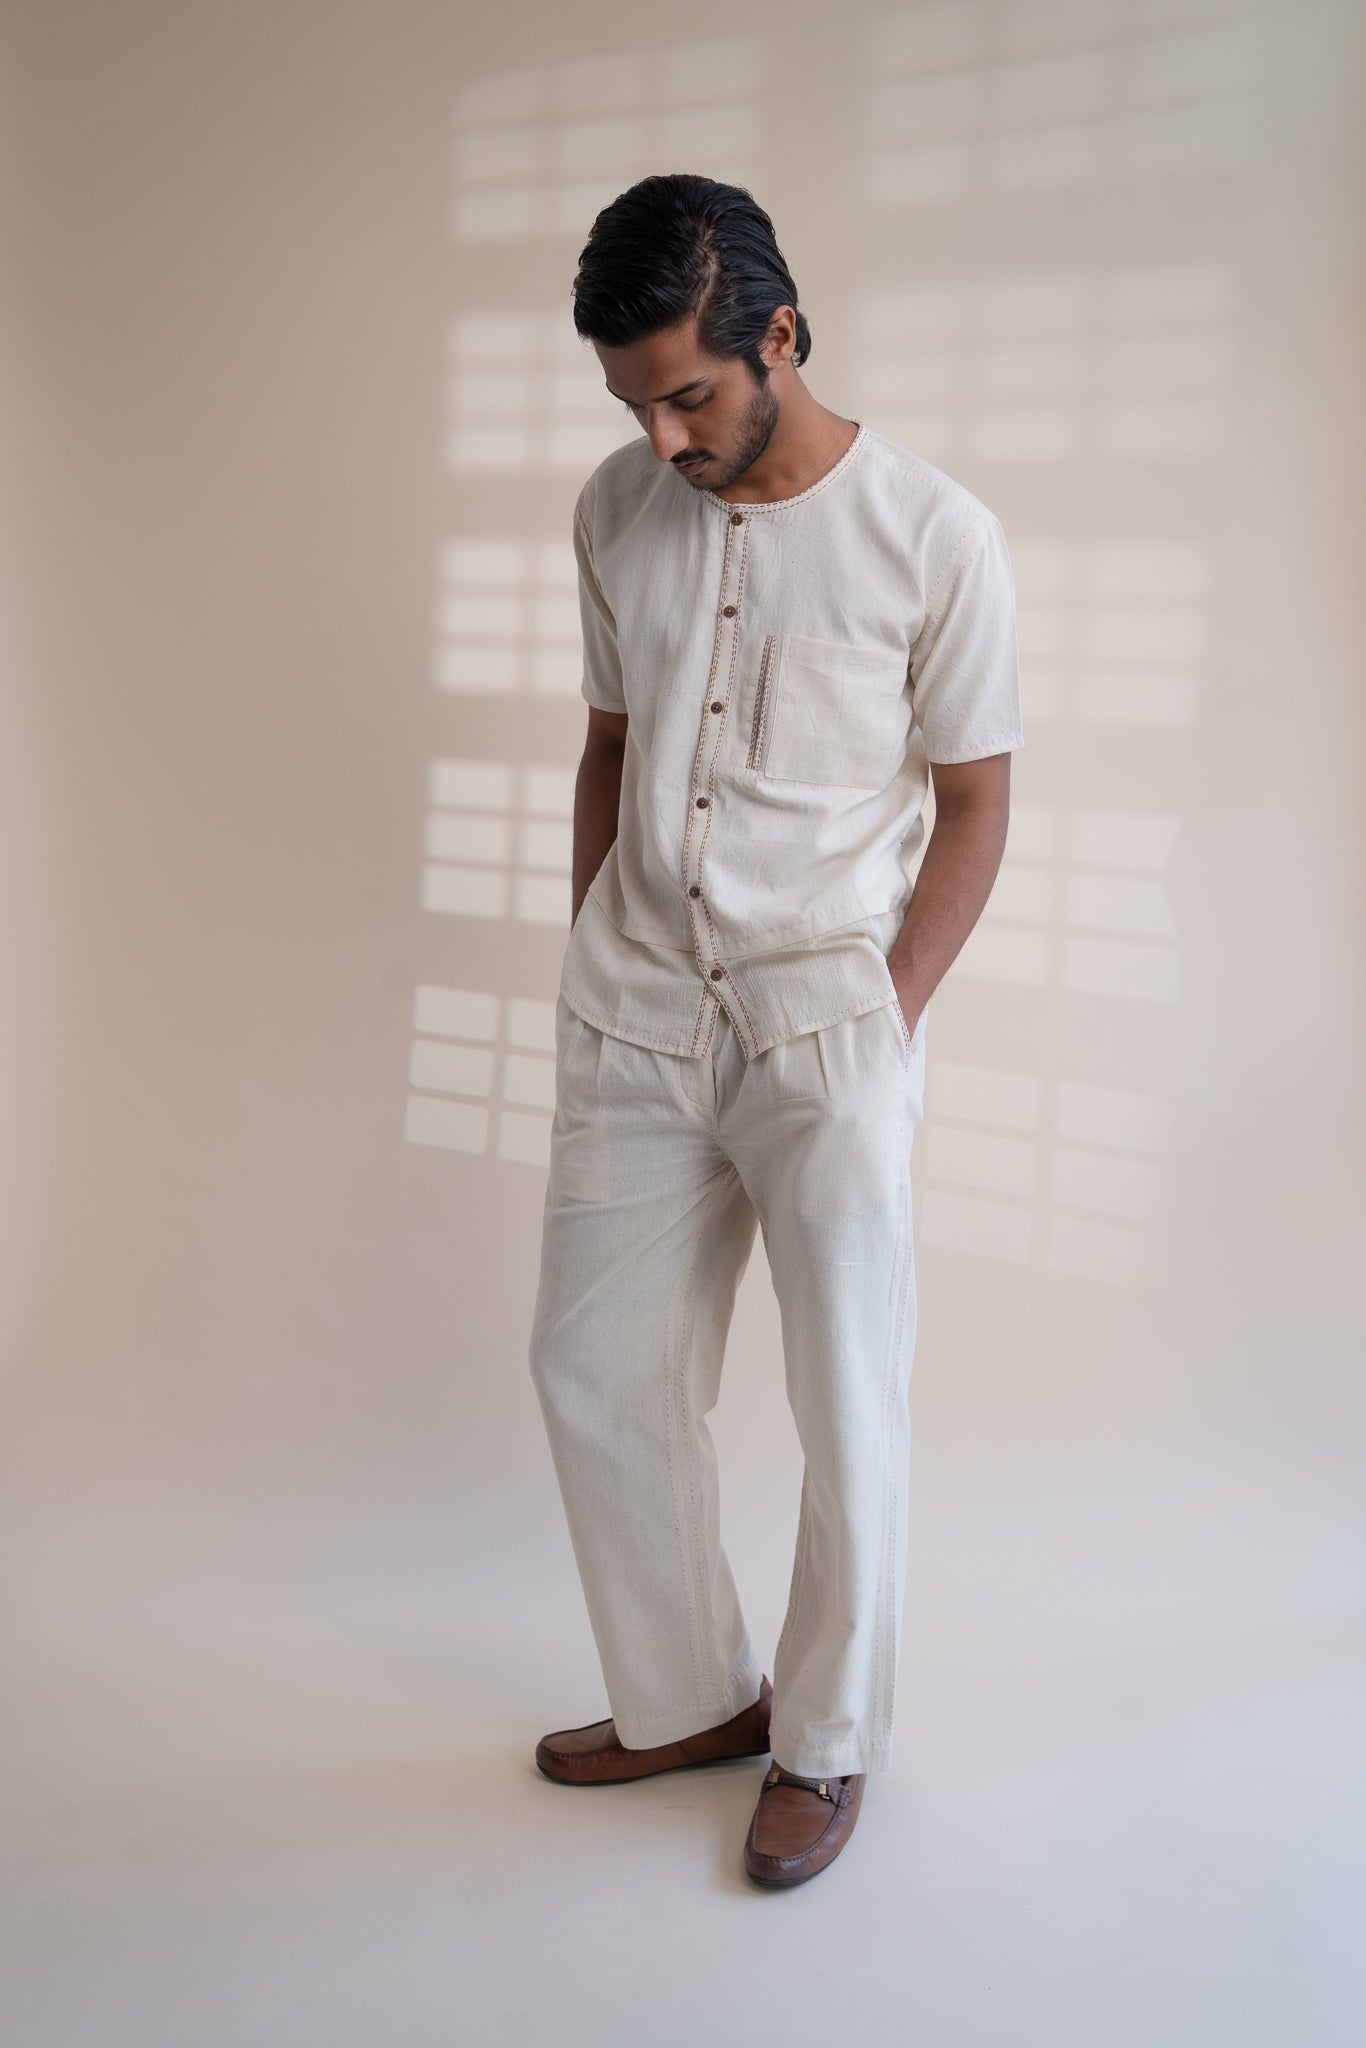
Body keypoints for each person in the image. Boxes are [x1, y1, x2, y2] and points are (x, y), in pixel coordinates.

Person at [527, 173, 1024, 1889]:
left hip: (827, 1013)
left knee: (843, 1396)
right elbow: (609, 742)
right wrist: (591, 943)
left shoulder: (934, 534)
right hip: (637, 1008)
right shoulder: (614, 508)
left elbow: (975, 801)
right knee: (593, 1366)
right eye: (632, 404)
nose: (660, 439)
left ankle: (824, 1740)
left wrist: (887, 1014)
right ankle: (689, 1699)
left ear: (780, 337)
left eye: (686, 395)